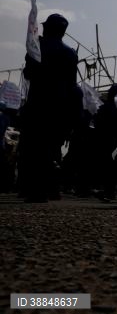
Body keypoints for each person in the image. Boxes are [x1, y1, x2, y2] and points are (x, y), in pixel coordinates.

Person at [18, 13, 81, 202]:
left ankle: (34, 189)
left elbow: (28, 74)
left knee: (32, 148)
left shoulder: (37, 47)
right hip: (59, 107)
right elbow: (72, 85)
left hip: (38, 104)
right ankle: (51, 188)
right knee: (51, 149)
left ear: (48, 28)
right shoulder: (70, 54)